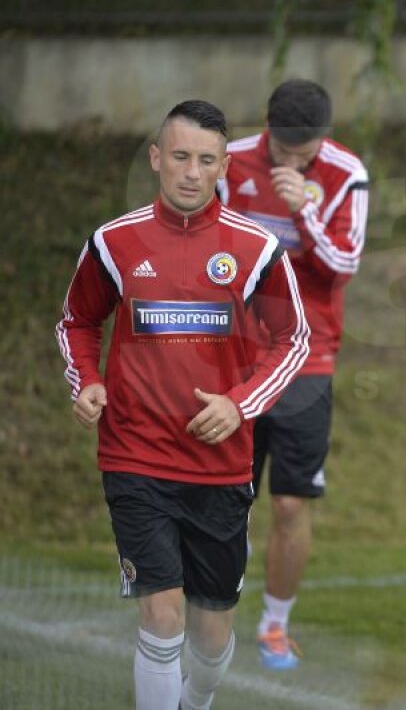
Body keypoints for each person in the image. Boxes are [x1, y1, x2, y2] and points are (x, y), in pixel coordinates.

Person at [55, 100, 310, 710]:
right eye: (179, 157)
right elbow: (78, 321)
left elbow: (292, 340)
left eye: (205, 160)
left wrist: (240, 404)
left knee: (210, 634)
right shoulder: (114, 242)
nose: (191, 172)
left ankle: (197, 699)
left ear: (223, 166)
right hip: (134, 456)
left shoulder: (255, 249)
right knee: (162, 617)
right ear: (155, 159)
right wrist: (86, 379)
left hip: (219, 466)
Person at [218, 79, 368, 670]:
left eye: (303, 153)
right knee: (229, 498)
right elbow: (214, 249)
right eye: (283, 149)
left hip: (308, 359)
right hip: (236, 355)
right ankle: (216, 614)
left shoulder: (344, 174)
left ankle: (275, 627)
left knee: (288, 505)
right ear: (266, 126)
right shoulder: (231, 162)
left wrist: (304, 205)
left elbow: (343, 266)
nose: (290, 160)